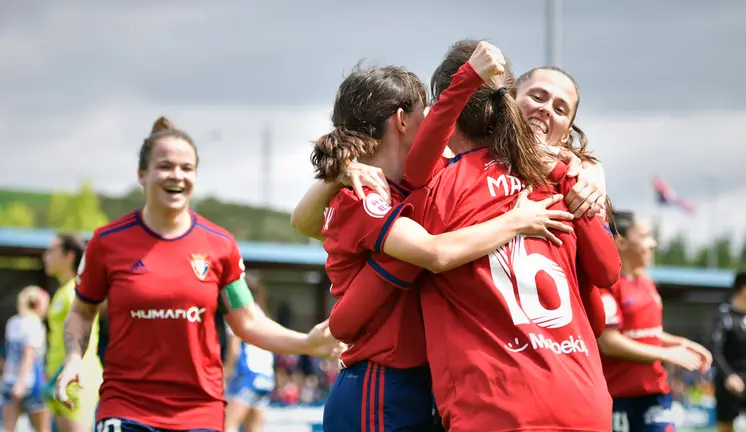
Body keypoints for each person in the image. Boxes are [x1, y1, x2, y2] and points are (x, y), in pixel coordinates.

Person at [311, 52, 579, 432]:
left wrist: (585, 170)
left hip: (420, 386)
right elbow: (435, 253)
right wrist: (516, 221)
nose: (434, 121)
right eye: (426, 111)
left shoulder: (415, 186)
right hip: (379, 384)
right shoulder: (364, 196)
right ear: (402, 120)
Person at [53, 116, 345, 432]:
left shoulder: (220, 246)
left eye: (187, 168)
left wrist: (306, 342)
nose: (177, 175)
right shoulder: (107, 243)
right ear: (142, 174)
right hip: (126, 409)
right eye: (165, 166)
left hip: (199, 413)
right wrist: (74, 358)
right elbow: (82, 312)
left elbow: (247, 321)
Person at [599, 211, 713, 432]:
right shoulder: (606, 284)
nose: (653, 243)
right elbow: (609, 342)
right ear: (620, 241)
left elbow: (648, 333)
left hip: (655, 393)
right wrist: (667, 354)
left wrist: (683, 344)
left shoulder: (647, 283)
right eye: (645, 236)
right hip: (617, 397)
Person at [43, 233, 101, 432]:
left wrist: (72, 365)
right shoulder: (63, 291)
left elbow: (85, 334)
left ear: (69, 256)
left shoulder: (77, 292)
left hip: (76, 379)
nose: (46, 256)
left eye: (52, 251)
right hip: (58, 378)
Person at [710, 269, 746, 432]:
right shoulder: (724, 315)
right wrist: (728, 375)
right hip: (729, 380)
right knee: (726, 428)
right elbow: (714, 350)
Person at [223, 274, 275, 432]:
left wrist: (226, 373)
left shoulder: (236, 313)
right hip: (266, 376)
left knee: (229, 425)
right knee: (254, 428)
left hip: (247, 374)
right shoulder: (261, 313)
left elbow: (234, 350)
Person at [2, 285, 50, 432]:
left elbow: (9, 353)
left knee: (8, 428)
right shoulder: (34, 324)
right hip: (30, 383)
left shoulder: (13, 321)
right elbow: (29, 355)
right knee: (42, 428)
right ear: (37, 305)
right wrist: (21, 382)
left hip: (9, 380)